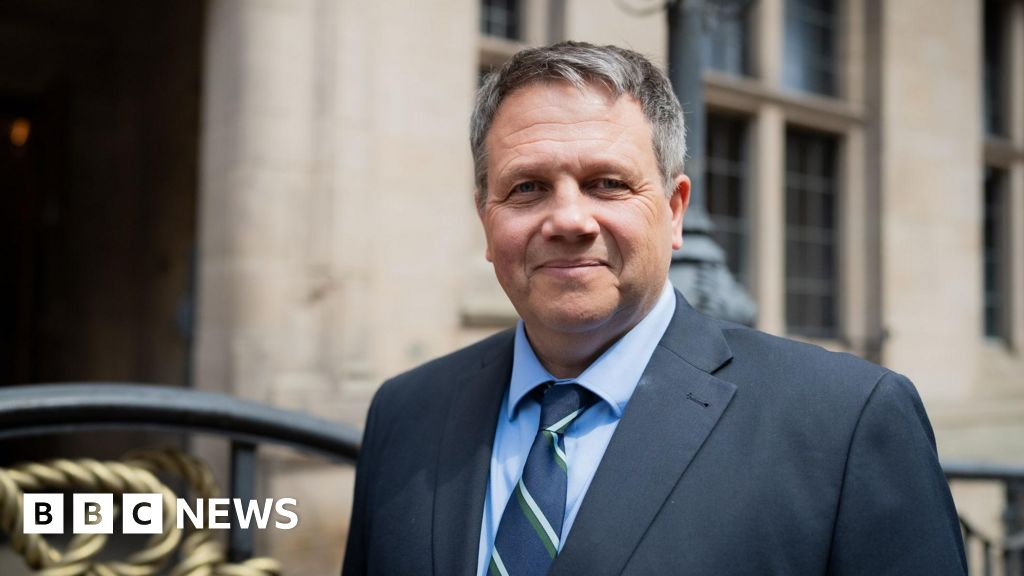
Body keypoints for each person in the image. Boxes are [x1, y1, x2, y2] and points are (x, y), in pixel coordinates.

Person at [342, 41, 966, 576]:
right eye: (527, 187)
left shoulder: (846, 423)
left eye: (607, 183)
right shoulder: (405, 413)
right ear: (487, 218)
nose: (567, 219)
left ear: (674, 211)